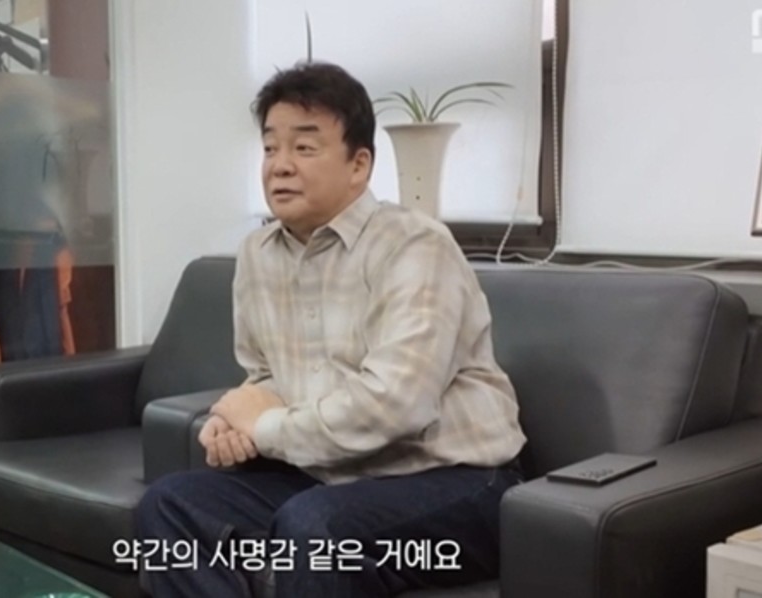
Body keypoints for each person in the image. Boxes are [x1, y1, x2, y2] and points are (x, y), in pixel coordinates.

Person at [133, 61, 527, 598]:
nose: (280, 166)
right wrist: (233, 420)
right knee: (170, 506)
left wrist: (264, 428)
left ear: (358, 164)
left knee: (316, 529)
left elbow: (397, 404)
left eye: (304, 147)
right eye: (270, 148)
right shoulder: (257, 255)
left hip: (458, 482)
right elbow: (267, 375)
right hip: (330, 474)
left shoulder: (415, 246)